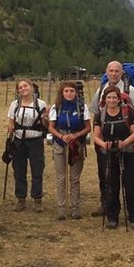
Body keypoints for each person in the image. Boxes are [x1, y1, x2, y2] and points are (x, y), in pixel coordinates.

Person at [88, 61, 134, 217]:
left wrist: (133, 140)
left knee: (129, 179)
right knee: (106, 176)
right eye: (111, 71)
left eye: (117, 71)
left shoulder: (130, 90)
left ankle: (131, 210)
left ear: (121, 72)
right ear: (106, 71)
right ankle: (106, 204)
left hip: (126, 143)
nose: (113, 73)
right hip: (105, 143)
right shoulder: (101, 89)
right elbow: (96, 114)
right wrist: (100, 142)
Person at [47, 81, 91, 220]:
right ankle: (62, 208)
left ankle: (75, 208)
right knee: (61, 178)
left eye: (71, 91)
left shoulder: (82, 107)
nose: (69, 93)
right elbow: (51, 127)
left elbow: (88, 127)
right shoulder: (56, 107)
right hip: (60, 144)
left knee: (74, 178)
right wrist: (61, 136)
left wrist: (75, 135)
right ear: (62, 93)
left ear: (76, 92)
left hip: (76, 145)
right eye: (66, 91)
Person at [6, 79, 48, 212]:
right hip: (19, 141)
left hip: (35, 141)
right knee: (19, 170)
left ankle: (37, 199)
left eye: (26, 86)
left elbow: (45, 124)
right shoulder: (14, 104)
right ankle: (21, 199)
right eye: (20, 87)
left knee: (37, 169)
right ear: (18, 90)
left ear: (31, 87)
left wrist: (46, 119)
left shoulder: (40, 104)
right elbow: (11, 123)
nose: (23, 89)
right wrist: (9, 137)